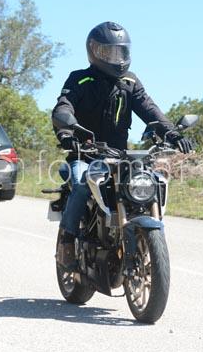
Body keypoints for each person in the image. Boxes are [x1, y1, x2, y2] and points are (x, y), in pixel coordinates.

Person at [52, 21, 193, 269]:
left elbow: (150, 110)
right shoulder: (80, 79)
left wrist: (172, 134)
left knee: (152, 182)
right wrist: (66, 132)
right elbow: (64, 107)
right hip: (85, 154)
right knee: (82, 185)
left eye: (121, 52)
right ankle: (67, 240)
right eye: (109, 52)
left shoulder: (130, 81)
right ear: (94, 51)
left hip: (120, 156)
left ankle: (149, 243)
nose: (116, 58)